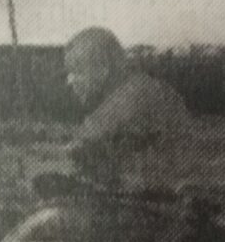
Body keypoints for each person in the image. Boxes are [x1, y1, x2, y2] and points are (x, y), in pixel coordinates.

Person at [61, 26, 192, 185]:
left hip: (158, 199)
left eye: (77, 71)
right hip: (169, 190)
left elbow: (80, 148)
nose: (70, 80)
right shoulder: (144, 87)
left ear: (103, 68)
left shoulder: (130, 98)